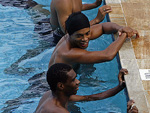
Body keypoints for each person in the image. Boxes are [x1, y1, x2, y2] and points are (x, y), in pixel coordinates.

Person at [48, 12, 139, 69]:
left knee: (89, 65)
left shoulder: (75, 33)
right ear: (68, 33)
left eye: (87, 33)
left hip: (67, 72)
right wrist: (124, 34)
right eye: (79, 36)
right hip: (50, 89)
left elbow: (103, 27)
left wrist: (121, 28)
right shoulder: (67, 53)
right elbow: (108, 55)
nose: (85, 39)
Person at [35, 63, 129, 113]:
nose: (78, 81)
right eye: (73, 80)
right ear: (61, 86)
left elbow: (90, 97)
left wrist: (120, 86)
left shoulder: (52, 94)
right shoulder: (57, 110)